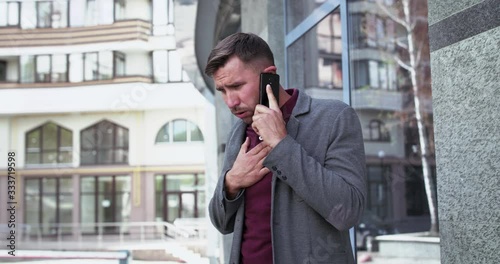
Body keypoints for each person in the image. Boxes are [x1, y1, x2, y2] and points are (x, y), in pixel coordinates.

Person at [205, 32, 366, 264]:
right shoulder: (238, 134)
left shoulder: (334, 118)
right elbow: (222, 223)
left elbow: (348, 212)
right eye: (222, 90)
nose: (230, 101)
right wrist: (231, 183)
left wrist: (282, 145)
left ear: (268, 76)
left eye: (237, 86)